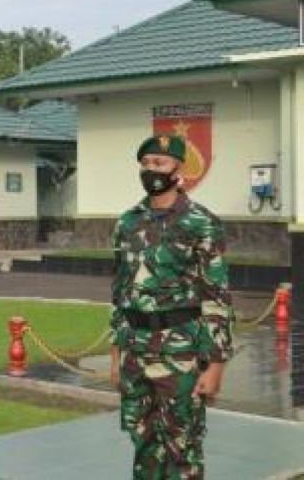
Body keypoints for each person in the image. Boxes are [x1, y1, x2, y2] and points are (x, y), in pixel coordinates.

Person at [109, 133, 234, 479]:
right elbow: (119, 291)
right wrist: (116, 353)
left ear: (179, 171)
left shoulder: (201, 222)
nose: (152, 170)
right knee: (143, 442)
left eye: (160, 163)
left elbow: (217, 296)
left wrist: (216, 365)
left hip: (180, 354)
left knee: (182, 447)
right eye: (146, 163)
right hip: (136, 353)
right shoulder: (127, 222)